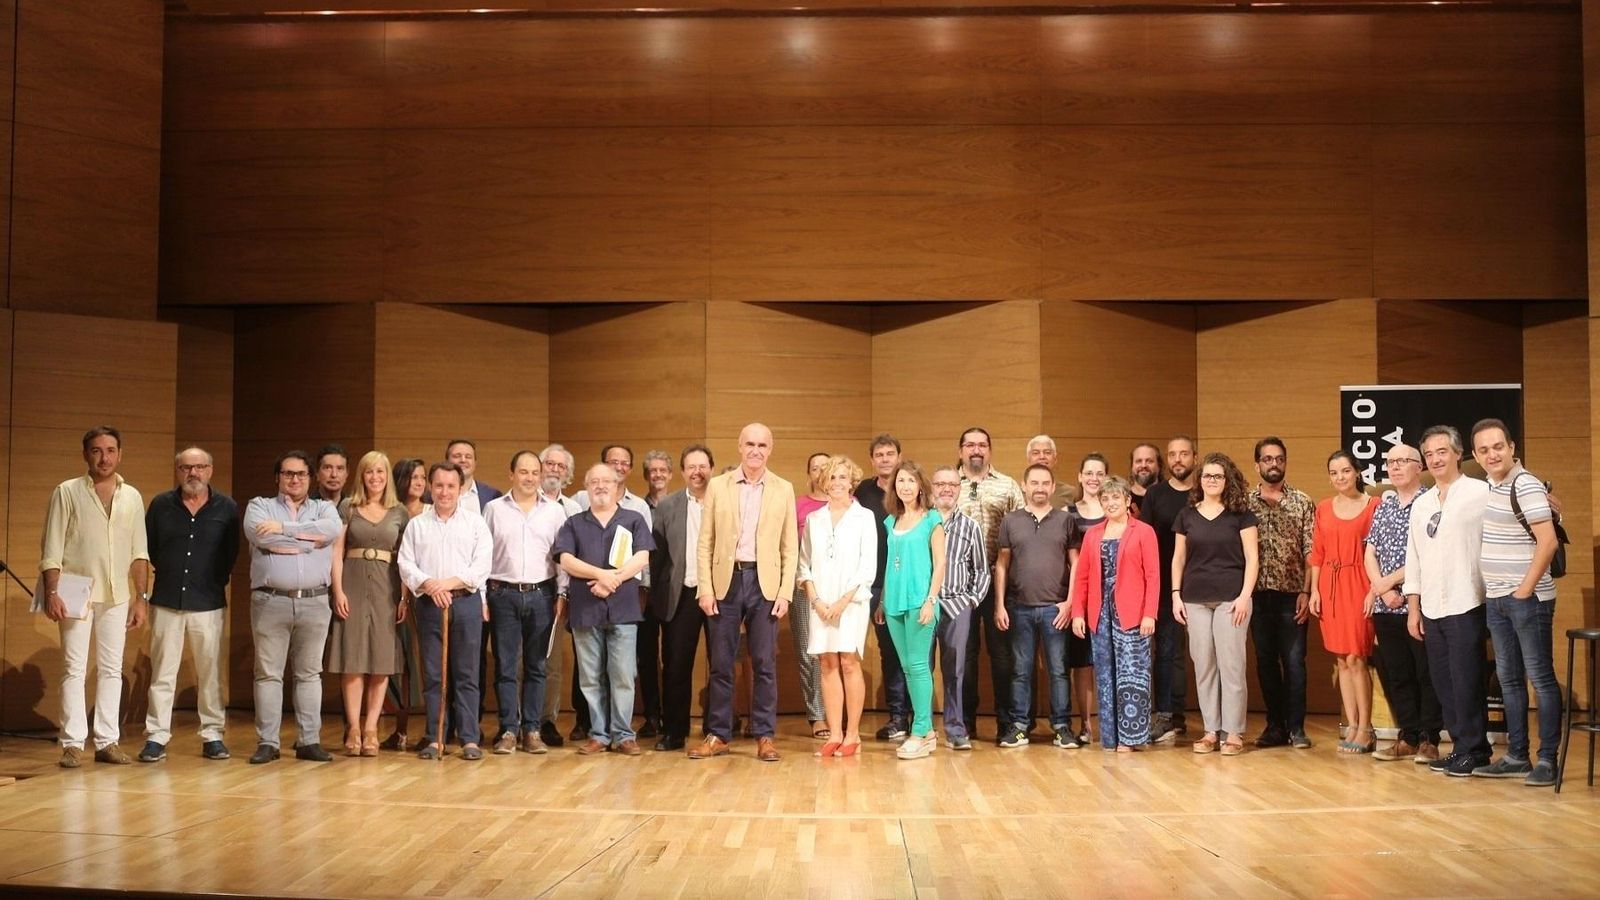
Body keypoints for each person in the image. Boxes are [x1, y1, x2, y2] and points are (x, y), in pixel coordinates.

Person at [40, 426, 150, 768]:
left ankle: (107, 741)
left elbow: (140, 552)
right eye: (97, 450)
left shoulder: (131, 496)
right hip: (75, 588)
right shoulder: (67, 491)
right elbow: (52, 548)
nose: (104, 457)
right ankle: (72, 743)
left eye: (111, 450)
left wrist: (141, 597)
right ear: (86, 454)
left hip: (117, 592)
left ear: (120, 453)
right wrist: (52, 592)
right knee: (74, 667)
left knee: (112, 669)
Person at [690, 423, 798, 763]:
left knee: (764, 663)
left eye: (762, 445)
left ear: (771, 448)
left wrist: (785, 592)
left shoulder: (784, 488)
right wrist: (705, 588)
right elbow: (705, 541)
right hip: (726, 583)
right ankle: (718, 734)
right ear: (739, 446)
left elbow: (790, 547)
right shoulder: (719, 486)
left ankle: (764, 735)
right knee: (721, 664)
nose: (755, 450)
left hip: (764, 585)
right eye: (750, 443)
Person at [1470, 418, 1562, 786]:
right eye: (1484, 450)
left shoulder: (1524, 484)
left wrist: (1523, 589)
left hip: (1527, 599)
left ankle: (1547, 760)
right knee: (1508, 680)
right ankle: (1516, 756)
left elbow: (1548, 542)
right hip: (1498, 599)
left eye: (1498, 447)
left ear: (1511, 447)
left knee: (1539, 678)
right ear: (1476, 456)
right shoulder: (1491, 486)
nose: (1492, 454)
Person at [139, 446, 239, 763]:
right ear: (177, 471)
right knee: (163, 673)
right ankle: (156, 736)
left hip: (208, 601)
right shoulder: (160, 506)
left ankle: (212, 734)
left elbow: (230, 553)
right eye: (185, 468)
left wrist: (213, 581)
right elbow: (150, 548)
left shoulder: (227, 507)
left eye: (199, 467)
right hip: (167, 599)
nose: (192, 473)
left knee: (210, 673)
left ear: (210, 470)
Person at [1403, 425, 1492, 777]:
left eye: (1442, 451)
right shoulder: (1423, 503)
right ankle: (1460, 747)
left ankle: (1476, 748)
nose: (1436, 459)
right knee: (1443, 681)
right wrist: (1413, 606)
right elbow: (1414, 557)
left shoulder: (1479, 492)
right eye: (1429, 454)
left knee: (1467, 678)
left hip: (1467, 599)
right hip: (1432, 606)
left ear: (1458, 453)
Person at [244, 450, 342, 764]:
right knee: (268, 675)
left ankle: (308, 741)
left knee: (310, 674)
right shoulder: (259, 506)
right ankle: (268, 743)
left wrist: (283, 530)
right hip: (271, 600)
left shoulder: (325, 508)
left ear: (310, 479)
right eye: (288, 473)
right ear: (278, 478)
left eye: (301, 474)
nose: (295, 479)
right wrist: (308, 543)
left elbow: (330, 532)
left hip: (314, 601)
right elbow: (261, 539)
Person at [555, 464, 653, 756]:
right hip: (586, 609)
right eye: (593, 481)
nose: (600, 486)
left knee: (623, 674)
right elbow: (566, 560)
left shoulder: (633, 519)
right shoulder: (574, 522)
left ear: (617, 484)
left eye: (606, 481)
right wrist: (601, 574)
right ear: (585, 486)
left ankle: (623, 735)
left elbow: (642, 557)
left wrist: (613, 580)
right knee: (590, 675)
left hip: (623, 609)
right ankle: (599, 734)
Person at [398, 461, 493, 760]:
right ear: (430, 487)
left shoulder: (475, 523)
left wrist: (446, 585)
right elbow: (406, 563)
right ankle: (435, 736)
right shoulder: (418, 524)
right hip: (428, 604)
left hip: (464, 602)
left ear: (460, 489)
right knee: (434, 674)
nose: (444, 491)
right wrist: (429, 585)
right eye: (439, 485)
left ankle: (469, 738)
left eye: (451, 486)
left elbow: (481, 566)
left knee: (465, 673)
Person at [1172, 452, 1259, 757]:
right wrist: (1175, 594)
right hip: (1194, 599)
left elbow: (1252, 558)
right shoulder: (1187, 515)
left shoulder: (1241, 514)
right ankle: (1211, 730)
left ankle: (1233, 732)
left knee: (1231, 665)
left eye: (1217, 476)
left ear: (1227, 479)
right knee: (1204, 664)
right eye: (1207, 476)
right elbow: (1179, 558)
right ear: (1200, 480)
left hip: (1231, 599)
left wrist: (1245, 596)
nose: (1211, 481)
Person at [482, 449, 566, 755]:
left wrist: (563, 594)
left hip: (542, 594)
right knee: (505, 665)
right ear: (511, 474)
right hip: (501, 593)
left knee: (536, 666)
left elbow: (562, 558)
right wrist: (482, 596)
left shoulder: (555, 511)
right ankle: (508, 729)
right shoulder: (493, 509)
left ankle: (532, 729)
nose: (530, 478)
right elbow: (482, 555)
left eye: (535, 472)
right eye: (524, 472)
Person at [1362, 444, 1442, 764]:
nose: (1394, 467)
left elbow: (1426, 554)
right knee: (1398, 673)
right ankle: (1407, 736)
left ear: (1419, 466)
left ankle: (1429, 738)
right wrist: (1381, 590)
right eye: (1390, 462)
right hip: (1385, 605)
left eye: (1402, 461)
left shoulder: (1431, 502)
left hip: (1418, 601)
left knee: (1426, 672)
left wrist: (1389, 582)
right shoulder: (1385, 505)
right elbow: (1370, 551)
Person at [328, 450, 409, 757]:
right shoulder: (348, 507)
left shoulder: (399, 512)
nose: (375, 478)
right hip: (353, 582)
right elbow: (336, 551)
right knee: (353, 658)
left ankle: (372, 729)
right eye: (369, 472)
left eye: (380, 472)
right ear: (361, 476)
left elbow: (405, 558)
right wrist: (338, 591)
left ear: (387, 476)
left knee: (381, 660)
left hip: (387, 586)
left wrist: (404, 596)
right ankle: (353, 728)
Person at [796, 455, 877, 757]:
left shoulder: (864, 517)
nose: (837, 483)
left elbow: (867, 567)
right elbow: (804, 565)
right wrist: (816, 600)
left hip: (851, 603)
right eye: (832, 477)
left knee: (848, 662)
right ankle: (835, 733)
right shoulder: (814, 520)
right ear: (823, 482)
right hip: (820, 603)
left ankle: (853, 735)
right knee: (827, 664)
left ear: (852, 481)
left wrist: (842, 603)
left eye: (843, 477)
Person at [1069, 476, 1158, 751]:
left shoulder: (1143, 531)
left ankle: (1131, 739)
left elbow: (1153, 576)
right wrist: (1078, 613)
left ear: (1128, 501)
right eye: (1105, 499)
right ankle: (1111, 737)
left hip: (1132, 612)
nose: (1110, 503)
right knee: (1105, 675)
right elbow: (1082, 577)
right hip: (1099, 612)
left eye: (1116, 498)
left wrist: (1149, 614)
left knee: (1132, 674)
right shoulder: (1094, 534)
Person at [994, 464, 1075, 749]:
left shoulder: (1066, 521)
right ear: (1024, 486)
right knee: (1021, 670)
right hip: (1019, 608)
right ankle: (1018, 727)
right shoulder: (1011, 521)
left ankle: (1062, 727)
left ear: (1053, 487)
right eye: (1034, 483)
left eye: (1045, 483)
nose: (1039, 488)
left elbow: (1075, 563)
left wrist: (1070, 602)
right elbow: (1002, 565)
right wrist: (999, 605)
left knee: (1058, 670)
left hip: (1056, 609)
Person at [956, 426, 1025, 742]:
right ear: (961, 451)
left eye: (982, 445)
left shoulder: (1008, 486)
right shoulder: (947, 484)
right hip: (959, 586)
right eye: (970, 445)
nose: (976, 450)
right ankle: (965, 723)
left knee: (1003, 657)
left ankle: (1006, 724)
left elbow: (1021, 534)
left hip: (999, 584)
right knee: (964, 658)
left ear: (990, 450)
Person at [1246, 437, 1316, 750]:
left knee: (1295, 661)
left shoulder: (1302, 502)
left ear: (1285, 463)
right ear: (1257, 464)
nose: (1273, 464)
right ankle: (1274, 726)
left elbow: (1311, 550)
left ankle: (1296, 727)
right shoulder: (1244, 504)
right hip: (1257, 596)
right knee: (1265, 661)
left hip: (1293, 595)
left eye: (1279, 459)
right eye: (1267, 459)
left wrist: (1306, 590)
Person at [1308, 450, 1379, 754]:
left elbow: (1379, 553)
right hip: (1330, 584)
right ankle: (1351, 724)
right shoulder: (1323, 507)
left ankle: (1366, 727)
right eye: (1334, 472)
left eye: (1346, 471)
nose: (1340, 477)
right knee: (1340, 659)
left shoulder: (1373, 505)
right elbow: (1317, 553)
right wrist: (1314, 590)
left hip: (1360, 582)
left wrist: (1374, 590)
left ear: (1358, 472)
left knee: (1356, 657)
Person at [650, 444, 715, 751]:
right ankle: (674, 731)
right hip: (681, 595)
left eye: (702, 466)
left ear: (711, 469)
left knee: (721, 664)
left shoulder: (724, 502)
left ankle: (717, 729)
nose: (697, 472)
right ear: (683, 471)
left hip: (719, 593)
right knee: (676, 666)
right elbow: (658, 558)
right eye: (691, 467)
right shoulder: (668, 506)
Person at [881, 461, 946, 760]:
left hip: (920, 601)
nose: (905, 486)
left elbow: (940, 563)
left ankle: (921, 730)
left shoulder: (932, 519)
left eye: (910, 481)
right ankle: (925, 732)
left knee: (919, 666)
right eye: (900, 481)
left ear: (921, 485)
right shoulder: (890, 522)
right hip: (894, 601)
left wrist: (931, 600)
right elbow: (890, 562)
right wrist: (882, 600)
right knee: (906, 667)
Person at [1139, 435, 1198, 743]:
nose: (1178, 459)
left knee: (1203, 656)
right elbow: (1145, 541)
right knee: (1167, 653)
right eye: (1172, 454)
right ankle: (1166, 716)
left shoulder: (1204, 493)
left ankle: (1207, 719)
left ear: (1194, 458)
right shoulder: (1155, 494)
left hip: (1202, 583)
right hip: (1163, 586)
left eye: (1184, 454)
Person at [929, 464, 990, 751]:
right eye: (941, 484)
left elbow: (982, 570)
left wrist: (971, 601)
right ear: (931, 488)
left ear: (959, 489)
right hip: (925, 607)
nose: (946, 489)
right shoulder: (922, 522)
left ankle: (955, 729)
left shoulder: (970, 526)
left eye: (952, 484)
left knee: (955, 671)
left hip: (957, 606)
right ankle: (923, 729)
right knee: (921, 669)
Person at [854, 434, 910, 741]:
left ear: (899, 457)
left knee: (905, 653)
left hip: (903, 583)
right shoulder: (862, 491)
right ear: (872, 460)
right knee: (885, 653)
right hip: (870, 582)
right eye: (879, 454)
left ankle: (912, 718)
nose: (885, 458)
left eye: (890, 453)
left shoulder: (909, 489)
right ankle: (896, 717)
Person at [380, 457, 428, 752]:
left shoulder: (433, 513)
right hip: (393, 593)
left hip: (424, 593)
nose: (419, 483)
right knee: (399, 664)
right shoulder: (392, 514)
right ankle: (399, 728)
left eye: (422, 477)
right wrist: (400, 596)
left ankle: (436, 730)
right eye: (413, 478)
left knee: (423, 663)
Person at [784, 450, 833, 737]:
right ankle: (817, 715)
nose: (821, 472)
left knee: (837, 649)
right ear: (809, 474)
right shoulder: (799, 505)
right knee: (807, 650)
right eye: (815, 468)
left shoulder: (851, 504)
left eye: (826, 467)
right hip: (804, 584)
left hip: (839, 588)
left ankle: (836, 710)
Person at [536, 443, 582, 748]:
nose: (554, 469)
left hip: (559, 592)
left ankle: (547, 720)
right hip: (527, 587)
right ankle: (518, 720)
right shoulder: (521, 503)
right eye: (549, 464)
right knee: (522, 661)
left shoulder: (575, 510)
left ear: (568, 474)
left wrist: (565, 593)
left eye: (560, 466)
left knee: (552, 662)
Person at [1063, 452, 1108, 746]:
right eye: (1088, 472)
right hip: (1081, 596)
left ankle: (1113, 724)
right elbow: (1066, 557)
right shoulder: (1068, 513)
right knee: (1082, 664)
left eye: (1099, 473)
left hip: (1113, 596)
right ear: (1079, 477)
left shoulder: (1116, 511)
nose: (1093, 478)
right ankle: (1085, 724)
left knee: (1109, 662)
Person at [446, 438, 501, 516]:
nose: (463, 460)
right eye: (457, 456)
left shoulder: (492, 495)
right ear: (447, 461)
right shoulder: (432, 496)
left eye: (468, 457)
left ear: (475, 463)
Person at [1026, 434, 1074, 510]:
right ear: (1028, 460)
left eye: (1047, 452)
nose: (1042, 457)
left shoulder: (1070, 493)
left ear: (1055, 459)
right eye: (1036, 453)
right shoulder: (1018, 493)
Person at [1128, 442, 1162, 515]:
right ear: (1132, 466)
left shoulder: (1169, 495)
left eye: (1149, 461)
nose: (1143, 465)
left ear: (1159, 466)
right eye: (1138, 461)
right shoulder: (1122, 498)